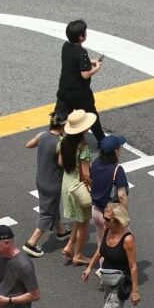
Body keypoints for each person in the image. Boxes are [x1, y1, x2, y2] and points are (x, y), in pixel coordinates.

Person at [82, 203, 139, 308]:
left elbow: (133, 266)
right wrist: (89, 267)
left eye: (107, 219)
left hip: (120, 283)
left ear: (117, 220)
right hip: (107, 279)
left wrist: (135, 291)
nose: (103, 221)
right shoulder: (108, 230)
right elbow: (101, 250)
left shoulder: (128, 239)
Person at [23, 112, 71, 258]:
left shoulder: (42, 135)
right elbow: (62, 163)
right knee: (47, 213)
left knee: (51, 206)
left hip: (41, 180)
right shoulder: (60, 142)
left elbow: (29, 144)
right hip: (53, 183)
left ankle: (61, 231)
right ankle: (31, 243)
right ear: (62, 126)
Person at [55, 19, 104, 145]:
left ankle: (53, 138)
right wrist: (96, 68)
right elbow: (85, 75)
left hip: (64, 88)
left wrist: (89, 61)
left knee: (60, 115)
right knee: (91, 115)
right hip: (80, 93)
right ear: (81, 37)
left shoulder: (65, 46)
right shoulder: (82, 52)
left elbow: (73, 62)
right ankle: (101, 140)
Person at [59, 110, 94, 265]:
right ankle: (78, 254)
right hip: (78, 186)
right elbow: (86, 174)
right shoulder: (83, 147)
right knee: (84, 222)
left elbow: (60, 162)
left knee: (79, 220)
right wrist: (95, 186)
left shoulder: (64, 141)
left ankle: (69, 246)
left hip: (66, 183)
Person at [90, 135, 129, 246]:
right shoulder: (117, 170)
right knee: (123, 242)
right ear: (115, 151)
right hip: (110, 215)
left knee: (101, 245)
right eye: (120, 147)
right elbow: (121, 195)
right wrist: (125, 215)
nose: (121, 150)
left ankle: (103, 263)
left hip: (95, 210)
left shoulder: (96, 162)